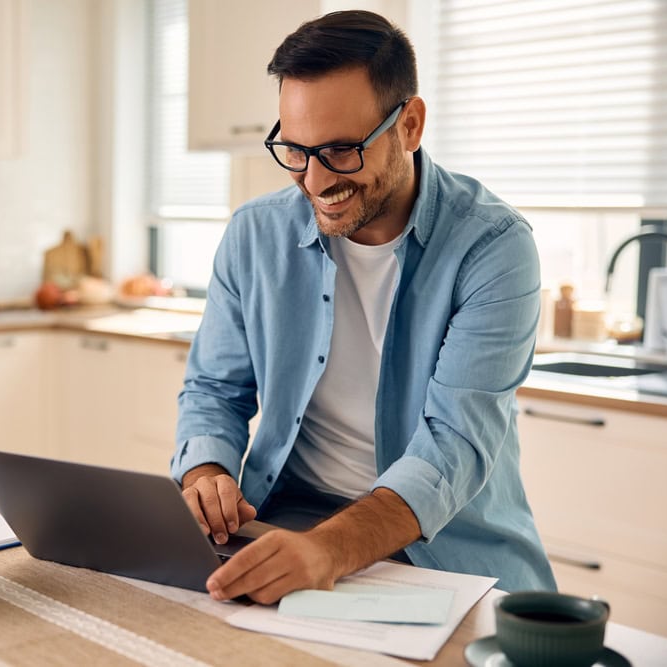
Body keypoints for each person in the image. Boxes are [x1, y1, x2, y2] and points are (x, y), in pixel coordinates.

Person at [172, 9, 556, 605]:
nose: (315, 181)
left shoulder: (493, 247)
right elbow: (213, 391)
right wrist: (207, 473)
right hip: (287, 522)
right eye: (295, 150)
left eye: (342, 150)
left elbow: (452, 447)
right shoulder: (255, 234)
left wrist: (329, 549)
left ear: (410, 125)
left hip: (446, 548)